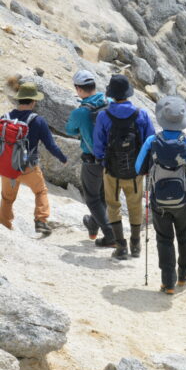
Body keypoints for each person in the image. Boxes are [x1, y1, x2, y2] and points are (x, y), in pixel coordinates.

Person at [135, 96, 186, 295]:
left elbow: (138, 167)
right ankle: (184, 276)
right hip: (184, 200)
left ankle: (167, 283)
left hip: (158, 199)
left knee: (164, 239)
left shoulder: (152, 141)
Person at [94, 74, 155, 260]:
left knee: (113, 204)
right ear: (128, 93)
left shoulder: (104, 115)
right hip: (135, 171)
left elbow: (98, 144)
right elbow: (149, 141)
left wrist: (102, 160)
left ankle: (121, 247)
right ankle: (136, 244)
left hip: (111, 170)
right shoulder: (141, 114)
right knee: (135, 205)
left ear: (111, 94)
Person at [0, 82, 67, 235]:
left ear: (19, 100)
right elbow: (51, 145)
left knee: (7, 198)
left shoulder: (5, 118)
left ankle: (4, 225)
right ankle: (41, 221)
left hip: (7, 167)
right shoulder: (38, 120)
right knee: (40, 191)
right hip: (28, 167)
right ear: (33, 101)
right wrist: (63, 158)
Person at [65, 70, 115, 247]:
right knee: (102, 196)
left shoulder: (81, 112)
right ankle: (93, 225)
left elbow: (69, 130)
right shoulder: (109, 103)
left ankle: (110, 235)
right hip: (113, 159)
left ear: (78, 89)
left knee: (92, 198)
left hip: (92, 161)